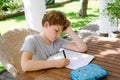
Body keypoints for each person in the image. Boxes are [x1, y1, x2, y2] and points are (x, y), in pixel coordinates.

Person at [20, 10, 87, 72]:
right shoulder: (31, 40)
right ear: (46, 25)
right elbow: (25, 65)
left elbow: (82, 48)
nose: (58, 35)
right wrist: (56, 63)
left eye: (60, 32)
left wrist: (70, 31)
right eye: (56, 31)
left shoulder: (58, 41)